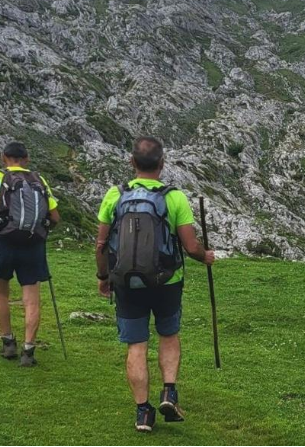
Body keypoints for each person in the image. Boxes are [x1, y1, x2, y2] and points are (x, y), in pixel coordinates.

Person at [95, 136, 214, 433]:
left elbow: (101, 244)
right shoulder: (174, 198)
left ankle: (143, 413)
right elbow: (190, 247)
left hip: (126, 282)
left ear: (131, 162)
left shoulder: (115, 195)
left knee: (136, 345)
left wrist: (103, 277)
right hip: (167, 281)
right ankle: (169, 392)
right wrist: (206, 257)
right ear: (162, 163)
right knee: (168, 335)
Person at [0, 142, 60, 367]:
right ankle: (28, 351)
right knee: (31, 299)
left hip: (1, 242)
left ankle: (8, 342)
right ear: (26, 158)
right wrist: (41, 232)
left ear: (3, 157)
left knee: (0, 293)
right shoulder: (39, 180)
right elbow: (55, 217)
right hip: (32, 244)